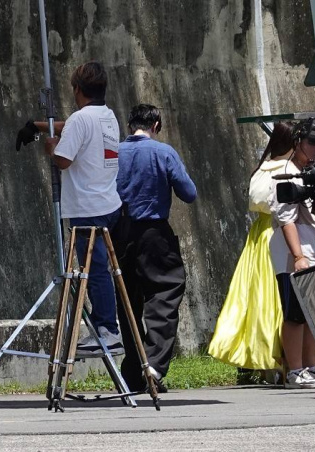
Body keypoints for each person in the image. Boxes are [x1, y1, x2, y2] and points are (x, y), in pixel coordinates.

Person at [36, 61, 124, 356]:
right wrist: (40, 125)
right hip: (108, 201)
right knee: (100, 267)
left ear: (77, 90)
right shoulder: (108, 116)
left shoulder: (78, 119)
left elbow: (63, 159)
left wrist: (50, 145)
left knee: (94, 270)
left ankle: (107, 330)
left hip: (86, 205)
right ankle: (106, 327)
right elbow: (80, 130)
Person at [114, 104, 196, 392]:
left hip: (119, 234)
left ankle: (134, 373)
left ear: (128, 126)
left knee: (128, 302)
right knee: (166, 290)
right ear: (156, 125)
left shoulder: (114, 153)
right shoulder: (163, 152)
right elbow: (189, 193)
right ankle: (154, 363)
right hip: (154, 234)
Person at [207, 122, 293, 379]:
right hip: (278, 231)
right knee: (274, 298)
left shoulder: (261, 170)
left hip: (259, 235)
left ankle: (263, 358)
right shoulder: (287, 170)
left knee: (256, 297)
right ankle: (276, 357)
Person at [268, 120, 315, 389]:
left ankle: (311, 367)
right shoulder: (286, 172)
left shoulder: (311, 172)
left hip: (313, 250)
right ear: (298, 142)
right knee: (294, 313)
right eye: (312, 144)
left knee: (311, 313)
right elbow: (286, 219)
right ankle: (295, 370)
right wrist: (298, 255)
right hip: (293, 253)